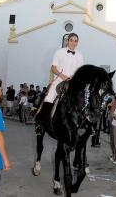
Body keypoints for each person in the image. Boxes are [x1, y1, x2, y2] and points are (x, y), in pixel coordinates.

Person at [34, 33, 84, 174]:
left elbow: (80, 71)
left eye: (76, 41)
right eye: (71, 40)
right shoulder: (59, 52)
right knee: (49, 97)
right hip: (60, 80)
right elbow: (53, 68)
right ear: (67, 41)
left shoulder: (80, 55)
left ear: (77, 42)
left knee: (81, 101)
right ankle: (40, 123)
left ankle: (83, 126)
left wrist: (74, 78)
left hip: (72, 82)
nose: (73, 43)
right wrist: (62, 76)